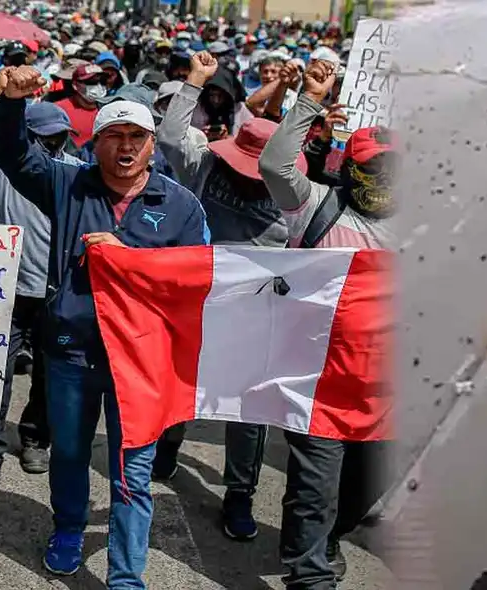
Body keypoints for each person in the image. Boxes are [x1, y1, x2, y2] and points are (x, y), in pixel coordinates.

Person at [0, 65, 210, 588]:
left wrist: (127, 257)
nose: (126, 147)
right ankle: (67, 528)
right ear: (95, 144)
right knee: (68, 449)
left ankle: (126, 573)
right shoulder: (67, 182)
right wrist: (12, 104)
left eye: (137, 136)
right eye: (114, 136)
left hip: (143, 359)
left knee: (132, 468)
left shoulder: (179, 205)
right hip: (71, 351)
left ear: (153, 144)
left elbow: (199, 278)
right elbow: (11, 155)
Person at [259, 59, 396, 586]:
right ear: (349, 169)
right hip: (318, 381)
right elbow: (275, 166)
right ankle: (308, 574)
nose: (383, 180)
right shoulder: (317, 205)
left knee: (366, 485)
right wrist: (309, 101)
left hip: (385, 391)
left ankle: (330, 535)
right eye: (372, 168)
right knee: (314, 487)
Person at [156, 52, 296, 539]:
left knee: (248, 410)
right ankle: (168, 446)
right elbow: (171, 136)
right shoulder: (207, 165)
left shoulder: (293, 194)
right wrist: (194, 80)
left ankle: (240, 495)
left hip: (257, 314)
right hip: (200, 298)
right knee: (182, 383)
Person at [0, 78, 84, 499]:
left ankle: (35, 439)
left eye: (63, 138)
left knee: (50, 377)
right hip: (4, 292)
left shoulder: (74, 174)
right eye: (47, 139)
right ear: (28, 137)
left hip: (54, 293)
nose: (56, 146)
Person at [54, 63, 106, 148]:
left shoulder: (110, 109)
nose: (98, 86)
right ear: (75, 85)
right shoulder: (59, 110)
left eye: (102, 81)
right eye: (91, 82)